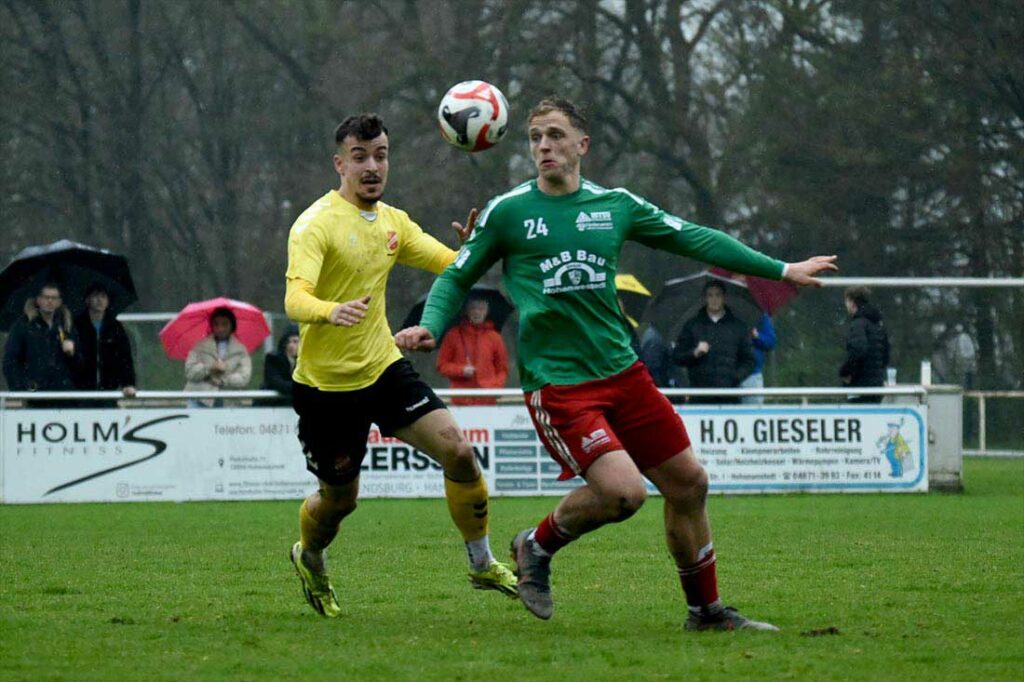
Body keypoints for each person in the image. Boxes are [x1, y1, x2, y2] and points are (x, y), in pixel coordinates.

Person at [396, 95, 837, 630]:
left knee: (689, 484)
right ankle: (535, 546)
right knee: (625, 494)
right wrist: (433, 325)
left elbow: (693, 238)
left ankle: (706, 612)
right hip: (560, 385)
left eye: (555, 135)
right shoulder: (508, 211)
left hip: (623, 374)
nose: (543, 147)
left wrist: (780, 268)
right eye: (535, 137)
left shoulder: (615, 205)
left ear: (582, 145)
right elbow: (457, 276)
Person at [283, 113, 516, 618]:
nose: (373, 167)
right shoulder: (315, 225)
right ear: (339, 163)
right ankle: (311, 557)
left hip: (384, 369)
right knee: (339, 504)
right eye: (361, 157)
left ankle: (481, 562)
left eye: (381, 155)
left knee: (458, 450)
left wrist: (470, 247)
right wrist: (329, 310)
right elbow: (294, 298)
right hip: (327, 390)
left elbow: (452, 266)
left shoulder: (393, 223)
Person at [672, 281, 756, 404]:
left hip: (729, 396)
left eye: (718, 295)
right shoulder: (692, 326)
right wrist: (694, 353)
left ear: (724, 298)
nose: (714, 299)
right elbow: (677, 357)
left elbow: (749, 360)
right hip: (700, 396)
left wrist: (734, 378)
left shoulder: (738, 327)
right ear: (705, 298)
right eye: (710, 295)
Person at [3, 282, 80, 406]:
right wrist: (21, 388)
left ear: (59, 302)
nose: (50, 301)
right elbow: (10, 361)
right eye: (46, 297)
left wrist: (72, 354)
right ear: (38, 300)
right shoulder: (23, 325)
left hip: (65, 395)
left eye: (54, 298)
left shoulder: (67, 326)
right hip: (36, 396)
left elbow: (81, 364)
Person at [436, 296, 509, 405]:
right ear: (466, 310)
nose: (477, 312)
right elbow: (442, 366)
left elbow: (502, 370)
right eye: (473, 308)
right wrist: (461, 370)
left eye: (481, 309)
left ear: (487, 311)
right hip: (461, 399)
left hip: (487, 400)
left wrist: (496, 387)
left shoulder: (495, 337)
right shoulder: (453, 335)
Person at [73, 282, 137, 404]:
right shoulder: (77, 326)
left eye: (103, 296)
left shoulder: (115, 327)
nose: (99, 300)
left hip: (109, 392)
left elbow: (125, 358)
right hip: (81, 393)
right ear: (87, 300)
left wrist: (128, 383)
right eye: (96, 296)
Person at [184, 307, 252, 407]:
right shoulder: (199, 346)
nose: (220, 328)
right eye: (216, 324)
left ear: (232, 326)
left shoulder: (240, 350)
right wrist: (209, 369)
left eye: (225, 324)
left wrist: (223, 379)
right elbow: (190, 372)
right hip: (199, 399)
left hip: (228, 402)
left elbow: (244, 378)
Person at [839, 286, 889, 403]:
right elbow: (885, 356)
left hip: (860, 385)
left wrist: (846, 372)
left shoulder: (858, 324)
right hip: (877, 386)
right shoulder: (878, 325)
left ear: (852, 302)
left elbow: (858, 349)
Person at [739, 312, 777, 405]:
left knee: (753, 414)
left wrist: (757, 336)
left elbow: (770, 342)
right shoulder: (723, 315)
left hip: (752, 375)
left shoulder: (759, 314)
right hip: (727, 375)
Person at [261, 323, 300, 406]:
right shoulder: (273, 359)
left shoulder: (304, 362)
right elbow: (276, 382)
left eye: (295, 341)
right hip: (270, 405)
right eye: (289, 341)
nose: (291, 345)